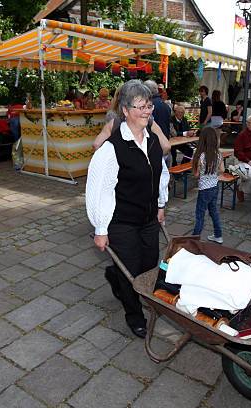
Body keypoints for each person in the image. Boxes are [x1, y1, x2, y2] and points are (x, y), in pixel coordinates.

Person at [86, 80, 170, 338]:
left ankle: (114, 273)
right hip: (122, 221)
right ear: (125, 110)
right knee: (131, 272)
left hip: (148, 219)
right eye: (141, 106)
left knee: (148, 266)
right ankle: (134, 315)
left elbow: (160, 174)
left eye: (149, 106)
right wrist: (101, 228)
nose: (147, 111)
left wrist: (160, 204)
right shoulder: (112, 148)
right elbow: (99, 189)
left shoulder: (153, 141)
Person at [192, 127, 224, 243]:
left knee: (200, 214)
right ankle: (218, 235)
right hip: (214, 186)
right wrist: (213, 172)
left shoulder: (200, 155)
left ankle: (195, 238)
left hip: (204, 189)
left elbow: (196, 174)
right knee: (213, 211)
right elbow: (222, 170)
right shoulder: (219, 154)